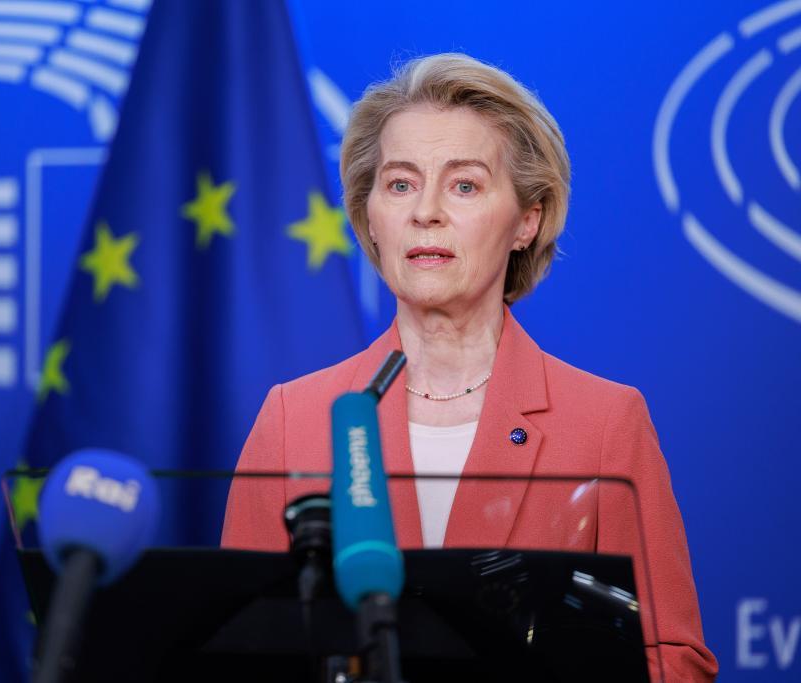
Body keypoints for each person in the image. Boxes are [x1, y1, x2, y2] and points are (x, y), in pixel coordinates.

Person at [221, 53, 717, 681]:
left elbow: (672, 661)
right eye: (400, 184)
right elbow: (237, 652)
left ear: (527, 221)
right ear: (370, 217)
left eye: (464, 185)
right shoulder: (294, 418)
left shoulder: (605, 425)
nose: (426, 211)